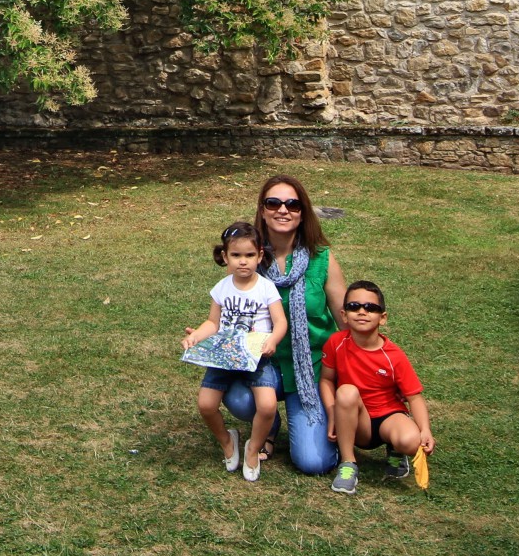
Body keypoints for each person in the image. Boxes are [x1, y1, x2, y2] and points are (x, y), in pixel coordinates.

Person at [220, 175, 346, 476]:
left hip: (311, 367)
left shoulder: (322, 260)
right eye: (273, 203)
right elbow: (228, 312)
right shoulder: (248, 260)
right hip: (264, 364)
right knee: (236, 398)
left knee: (314, 463)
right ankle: (269, 424)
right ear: (262, 210)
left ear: (303, 213)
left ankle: (326, 424)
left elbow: (346, 323)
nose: (283, 210)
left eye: (292, 204)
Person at [181, 221, 287, 482]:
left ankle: (253, 447)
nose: (243, 262)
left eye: (250, 255)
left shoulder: (265, 287)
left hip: (256, 357)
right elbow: (213, 323)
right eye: (236, 255)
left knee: (268, 405)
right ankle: (228, 441)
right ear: (225, 256)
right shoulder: (222, 288)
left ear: (260, 256)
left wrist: (273, 340)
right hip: (223, 356)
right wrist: (196, 335)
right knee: (206, 404)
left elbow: (280, 321)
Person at [320, 279, 435, 495]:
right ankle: (348, 463)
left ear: (382, 318)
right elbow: (326, 380)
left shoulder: (394, 356)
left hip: (388, 415)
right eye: (354, 307)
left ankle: (395, 449)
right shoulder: (336, 343)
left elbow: (415, 397)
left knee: (411, 442)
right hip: (357, 419)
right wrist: (332, 411)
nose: (362, 312)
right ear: (344, 315)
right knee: (346, 391)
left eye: (370, 308)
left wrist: (425, 429)